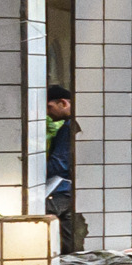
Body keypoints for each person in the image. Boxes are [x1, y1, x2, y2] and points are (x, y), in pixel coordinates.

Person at [43, 84, 83, 250]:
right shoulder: (78, 124)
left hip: (61, 189)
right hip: (73, 189)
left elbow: (60, 164)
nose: (47, 112)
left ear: (63, 103)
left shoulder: (69, 128)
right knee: (69, 241)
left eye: (49, 107)